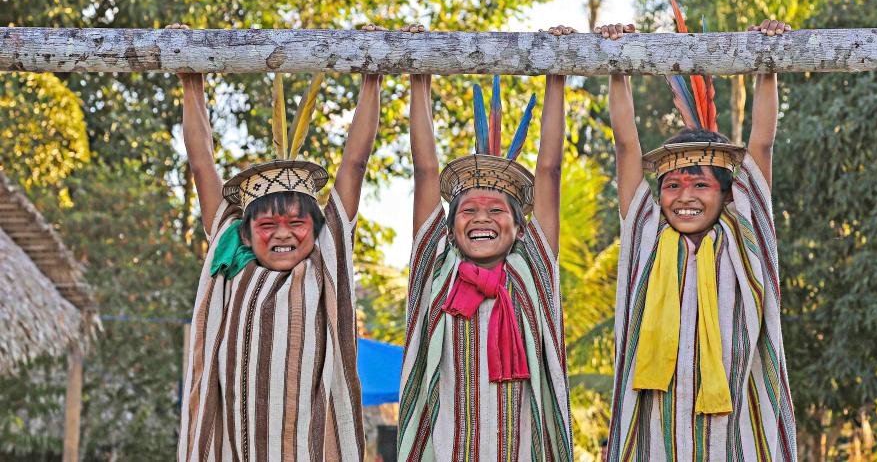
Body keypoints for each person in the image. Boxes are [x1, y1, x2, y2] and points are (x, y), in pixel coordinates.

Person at [174, 24, 385, 461]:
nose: (284, 233)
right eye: (268, 224)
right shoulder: (230, 252)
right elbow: (202, 163)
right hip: (234, 446)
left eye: (296, 222)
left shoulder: (327, 256)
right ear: (247, 232)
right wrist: (189, 77)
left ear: (317, 225)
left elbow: (355, 163)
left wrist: (373, 74)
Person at [600, 9, 798, 461]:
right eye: (672, 184)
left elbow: (761, 145)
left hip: (734, 440)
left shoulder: (743, 235)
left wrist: (765, 61)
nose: (684, 195)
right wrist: (618, 64)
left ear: (728, 196)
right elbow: (626, 144)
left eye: (701, 183)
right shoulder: (647, 234)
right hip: (654, 440)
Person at [397, 25, 576, 461]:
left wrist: (556, 73)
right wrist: (418, 72)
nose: (481, 219)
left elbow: (549, 170)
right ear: (449, 225)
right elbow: (425, 170)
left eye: (497, 210)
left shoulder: (533, 266)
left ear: (519, 227)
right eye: (468, 210)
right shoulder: (435, 270)